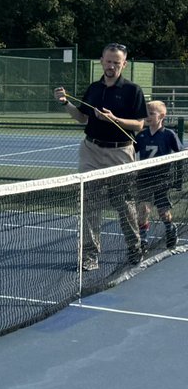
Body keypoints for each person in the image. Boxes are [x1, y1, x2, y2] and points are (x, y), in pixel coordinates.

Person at [54, 42, 146, 269]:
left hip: (120, 151)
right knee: (89, 203)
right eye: (108, 61)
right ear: (102, 61)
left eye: (116, 62)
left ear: (124, 64)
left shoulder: (132, 90)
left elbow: (139, 125)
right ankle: (90, 255)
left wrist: (114, 119)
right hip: (91, 150)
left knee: (123, 203)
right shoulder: (94, 89)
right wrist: (66, 103)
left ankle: (134, 248)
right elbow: (82, 118)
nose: (112, 66)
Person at [133, 99, 182, 251]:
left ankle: (170, 229)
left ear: (162, 116)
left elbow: (179, 152)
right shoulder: (141, 135)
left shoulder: (168, 135)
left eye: (152, 114)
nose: (148, 116)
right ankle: (144, 240)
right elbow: (131, 151)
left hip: (162, 179)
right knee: (143, 210)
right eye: (146, 113)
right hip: (144, 179)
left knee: (163, 212)